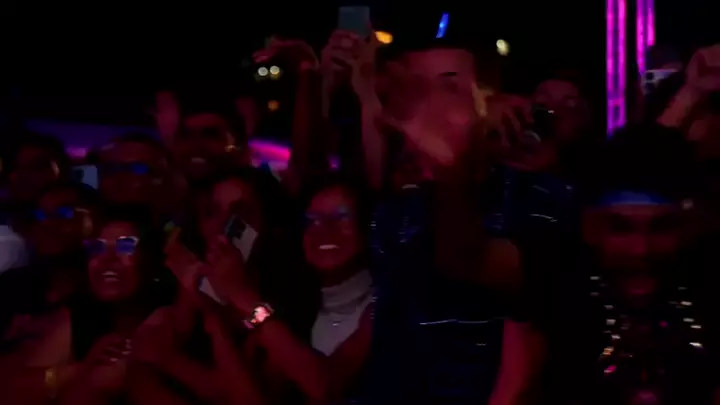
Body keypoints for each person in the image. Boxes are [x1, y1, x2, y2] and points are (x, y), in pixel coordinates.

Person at [551, 124, 718, 405]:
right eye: (621, 228)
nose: (641, 250)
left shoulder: (709, 285)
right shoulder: (559, 284)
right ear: (590, 228)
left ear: (689, 228)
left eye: (661, 227)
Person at [0, 210, 171, 405]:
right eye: (97, 248)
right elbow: (9, 390)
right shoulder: (81, 314)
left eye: (125, 246)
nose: (108, 259)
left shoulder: (170, 316)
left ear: (150, 259)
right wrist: (81, 370)